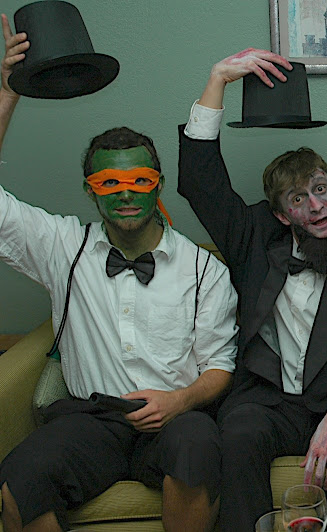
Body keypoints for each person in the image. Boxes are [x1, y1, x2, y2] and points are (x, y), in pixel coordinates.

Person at [0, 16, 238, 532]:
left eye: (139, 180)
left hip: (177, 418)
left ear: (158, 185)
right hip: (92, 421)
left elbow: (220, 366)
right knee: (19, 478)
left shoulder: (204, 270)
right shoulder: (62, 246)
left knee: (197, 449)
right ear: (90, 190)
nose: (125, 193)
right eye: (109, 182)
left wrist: (178, 401)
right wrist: (9, 92)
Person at [178, 48, 327, 531]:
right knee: (238, 429)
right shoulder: (253, 241)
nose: (316, 206)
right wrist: (217, 79)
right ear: (280, 214)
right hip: (269, 403)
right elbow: (200, 183)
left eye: (321, 190)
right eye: (299, 198)